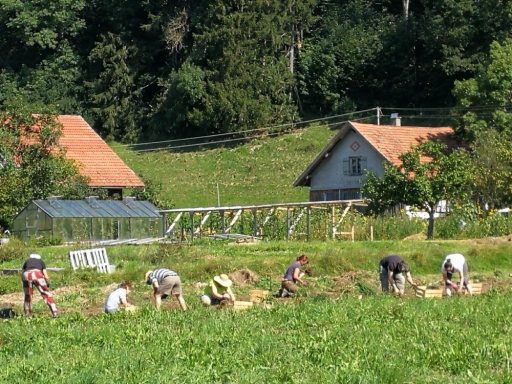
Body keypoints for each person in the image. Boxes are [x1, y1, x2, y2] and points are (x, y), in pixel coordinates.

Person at [21, 253, 58, 317]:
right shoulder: (41, 261)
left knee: (28, 295)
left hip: (26, 275)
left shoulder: (27, 261)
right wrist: (46, 283)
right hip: (37, 273)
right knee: (46, 293)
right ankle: (55, 312)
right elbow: (45, 275)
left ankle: (27, 314)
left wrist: (24, 282)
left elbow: (23, 272)